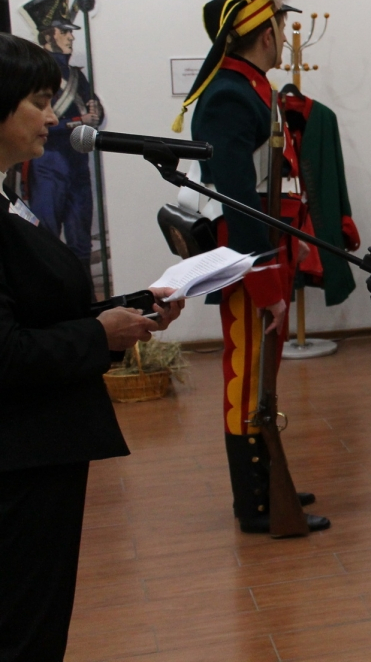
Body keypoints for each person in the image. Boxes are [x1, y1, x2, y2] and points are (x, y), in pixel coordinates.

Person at [0, 32, 184, 659]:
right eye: (38, 102)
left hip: (40, 448)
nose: (53, 118)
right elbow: (6, 352)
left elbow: (36, 310)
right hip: (18, 459)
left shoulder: (8, 197)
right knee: (21, 628)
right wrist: (98, 333)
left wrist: (128, 310)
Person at [183, 0, 328, 535]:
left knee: (263, 376)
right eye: (281, 28)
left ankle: (268, 477)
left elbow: (275, 182)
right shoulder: (230, 94)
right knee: (246, 377)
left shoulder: (251, 87)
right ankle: (257, 502)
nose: (285, 38)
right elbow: (237, 200)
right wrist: (265, 278)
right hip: (249, 257)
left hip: (269, 250)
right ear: (266, 33)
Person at [19, 0, 104, 279]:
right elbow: (36, 125)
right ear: (48, 35)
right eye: (63, 31)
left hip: (77, 164)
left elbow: (96, 111)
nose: (70, 37)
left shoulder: (76, 76)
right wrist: (80, 120)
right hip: (48, 165)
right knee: (47, 240)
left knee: (82, 244)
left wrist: (94, 114)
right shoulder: (35, 76)